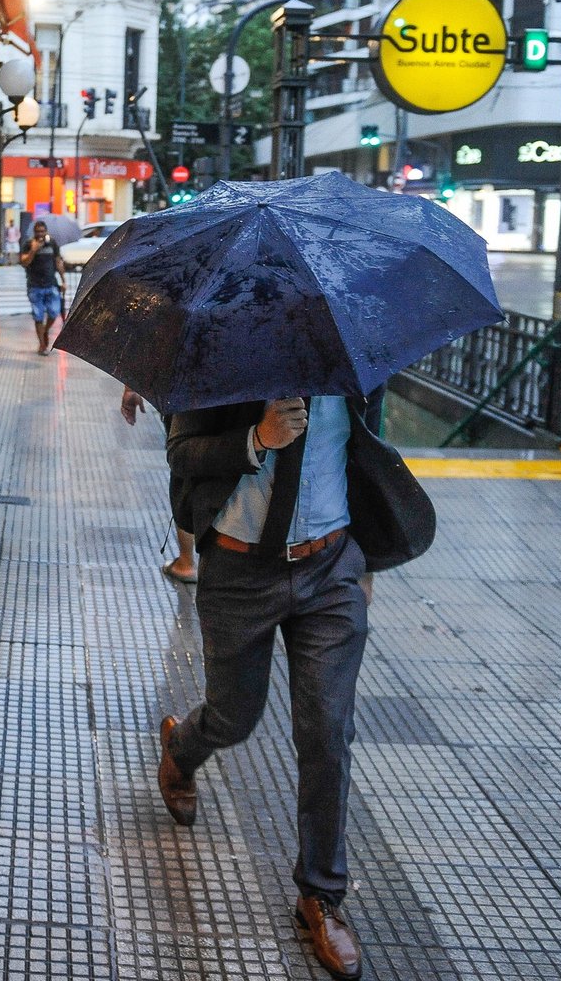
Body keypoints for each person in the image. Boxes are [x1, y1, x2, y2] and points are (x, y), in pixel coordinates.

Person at [157, 391, 390, 981]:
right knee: (236, 714)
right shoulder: (227, 356)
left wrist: (363, 564)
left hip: (330, 567)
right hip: (240, 570)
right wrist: (257, 439)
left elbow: (363, 454)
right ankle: (182, 748)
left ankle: (321, 895)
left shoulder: (355, 361)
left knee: (327, 730)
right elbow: (183, 453)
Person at [120, 386, 196, 582]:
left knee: (184, 471)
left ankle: (187, 562)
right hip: (248, 405)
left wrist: (132, 387)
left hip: (188, 397)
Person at [18, 219, 65, 356]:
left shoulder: (52, 243)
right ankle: (42, 345)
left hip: (51, 283)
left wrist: (63, 281)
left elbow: (58, 262)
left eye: (42, 231)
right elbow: (24, 262)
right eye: (38, 232)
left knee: (54, 312)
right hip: (35, 285)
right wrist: (33, 250)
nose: (40, 234)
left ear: (46, 232)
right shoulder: (28, 244)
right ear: (34, 232)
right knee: (38, 315)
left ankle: (45, 330)